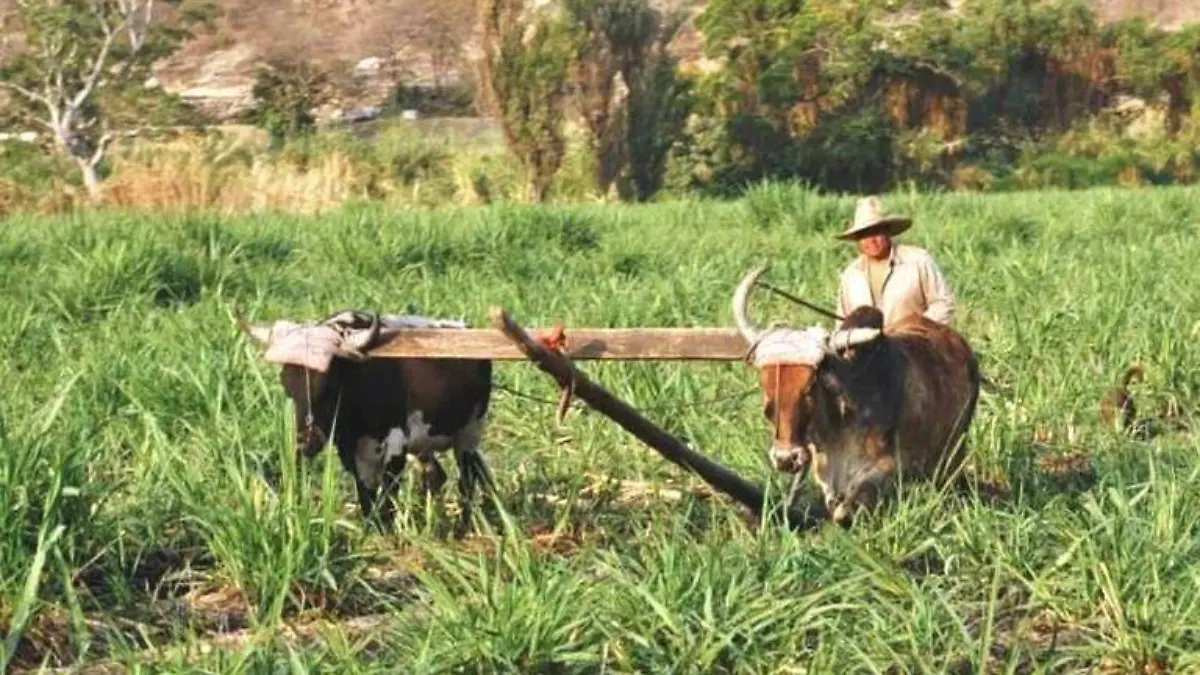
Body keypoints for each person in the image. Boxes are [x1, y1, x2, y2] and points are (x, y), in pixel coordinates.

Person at [835, 195, 956, 327]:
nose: (871, 241)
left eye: (876, 232)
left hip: (914, 345)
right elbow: (843, 322)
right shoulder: (851, 275)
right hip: (866, 347)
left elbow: (944, 304)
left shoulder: (918, 261)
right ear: (858, 240)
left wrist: (914, 329)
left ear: (888, 232)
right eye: (864, 235)